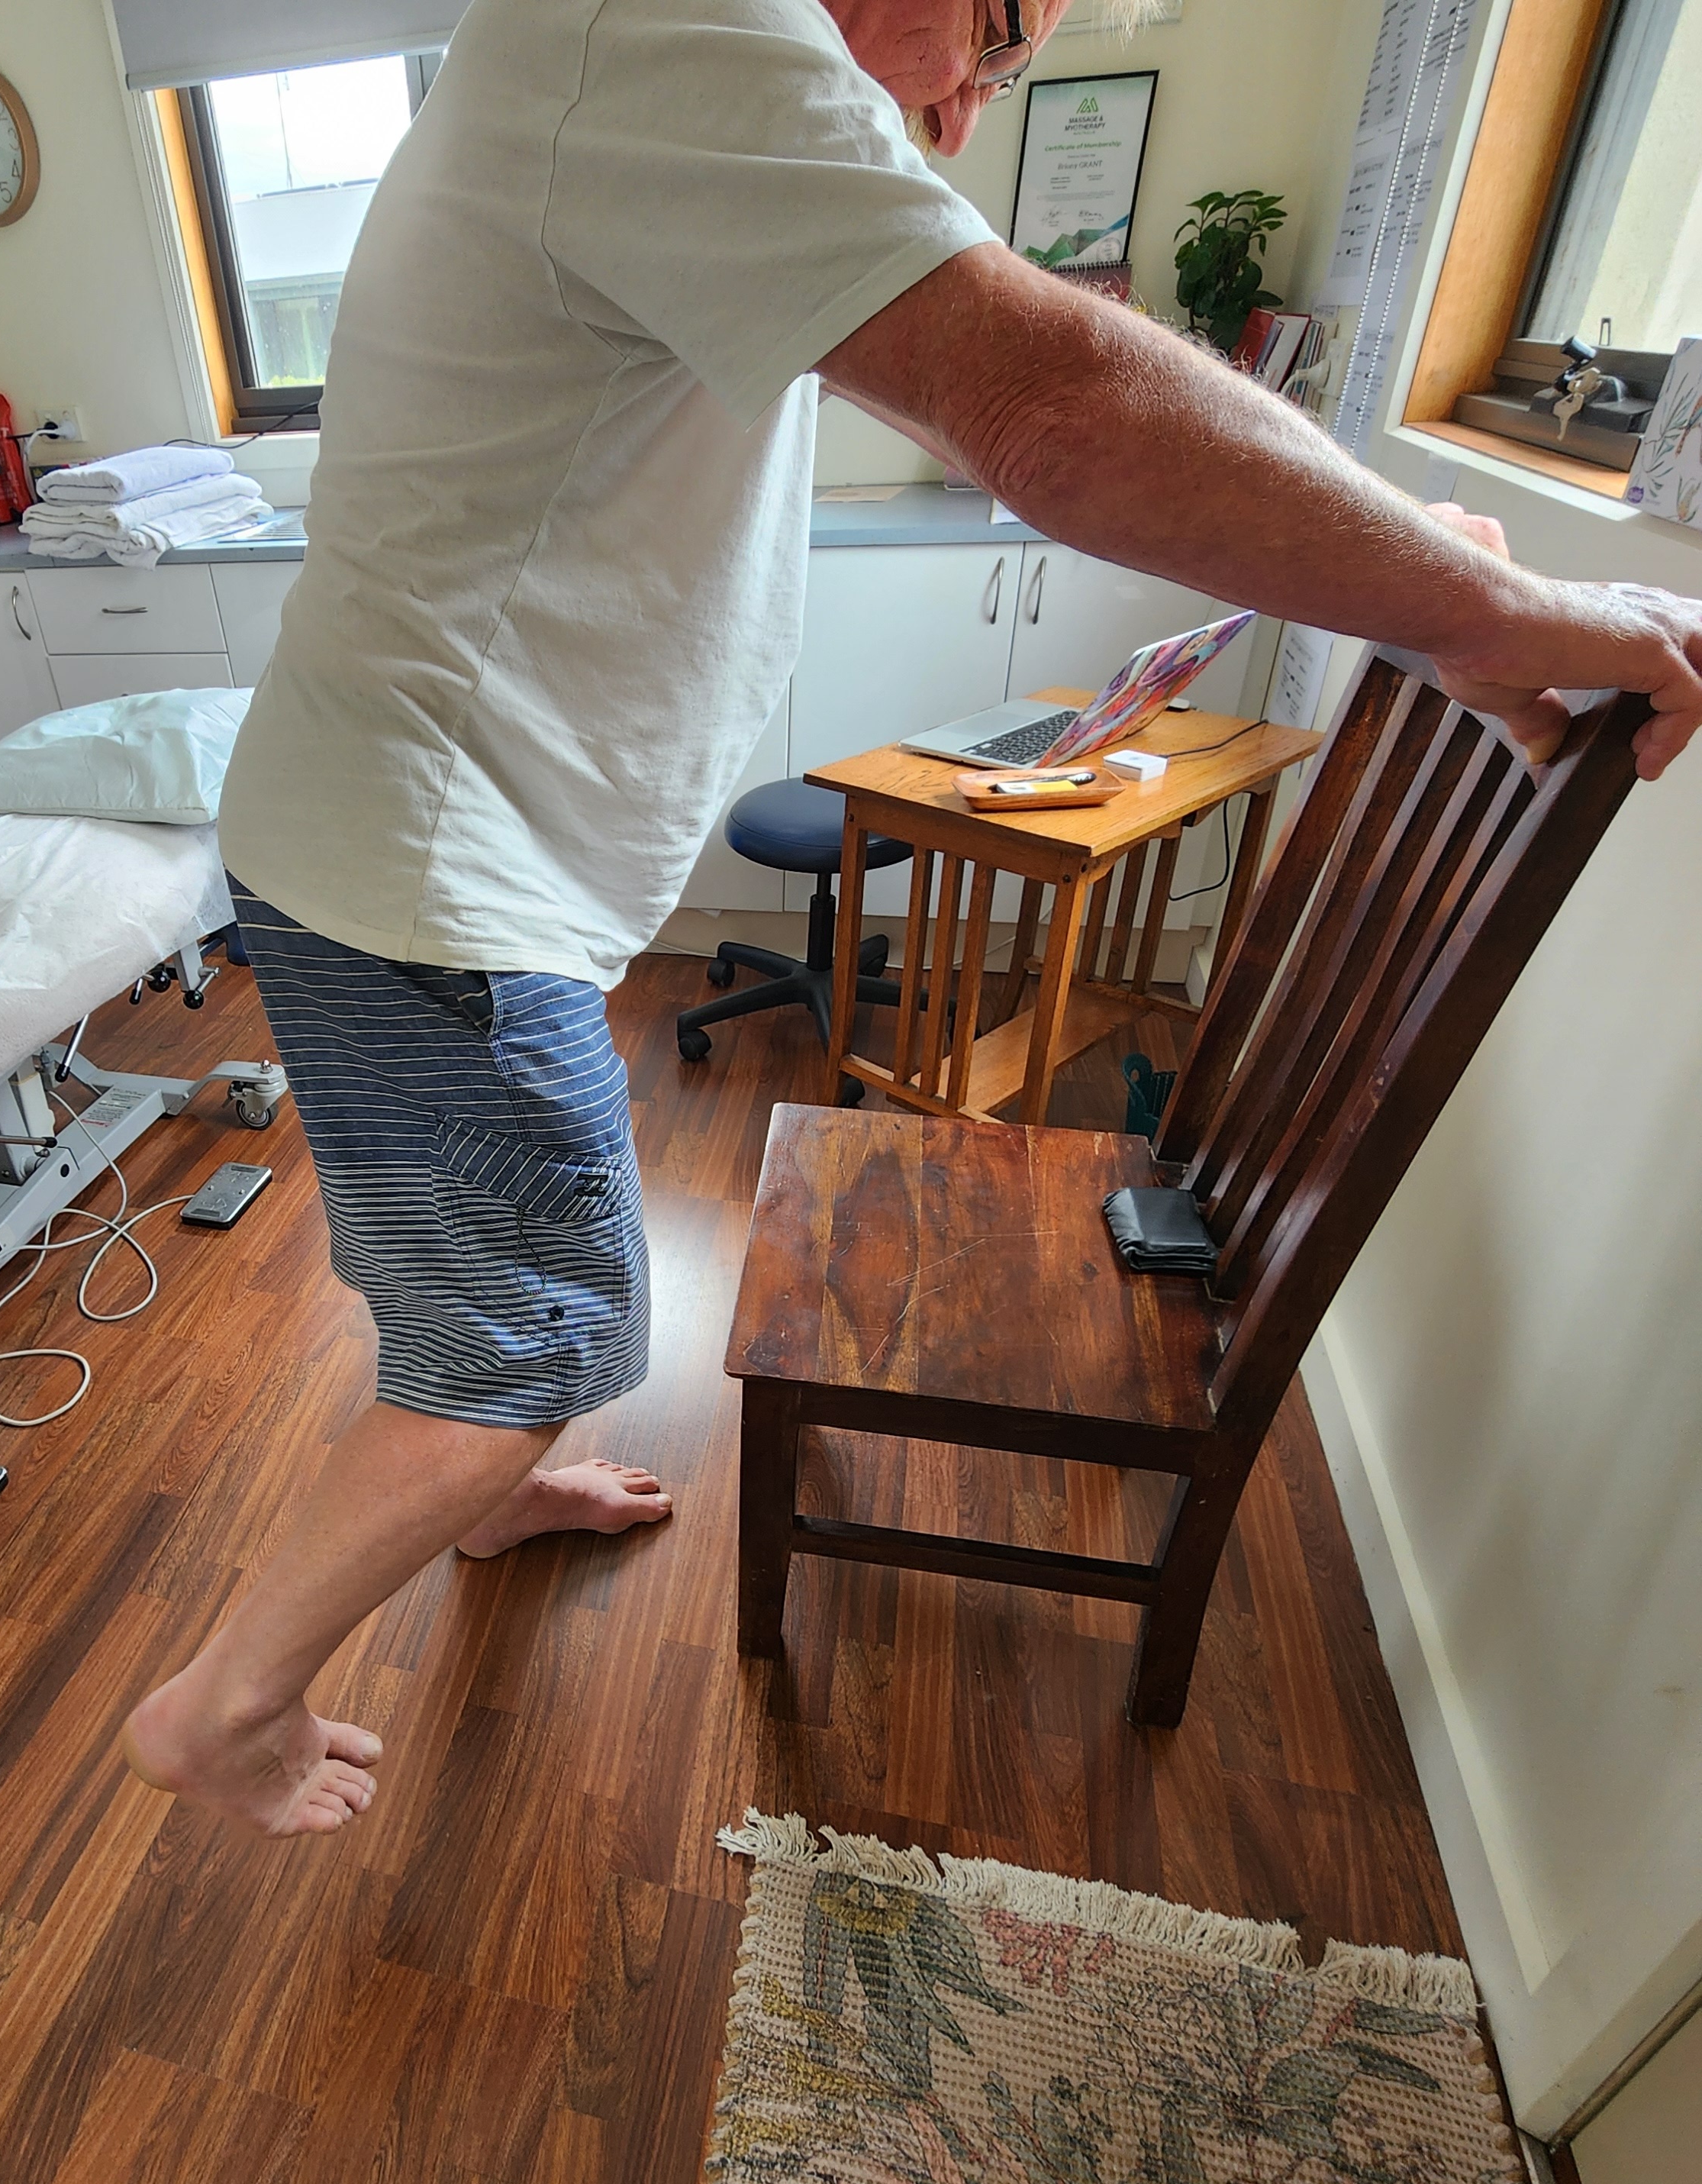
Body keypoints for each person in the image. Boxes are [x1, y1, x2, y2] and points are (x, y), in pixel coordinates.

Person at [123, 0, 1702, 1834]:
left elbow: (983, 358)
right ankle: (224, 1701)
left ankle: (480, 1497)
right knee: (538, 1333)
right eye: (993, 45)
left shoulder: (636, 51)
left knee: (471, 1269)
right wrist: (1477, 608)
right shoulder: (668, 19)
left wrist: (1418, 579)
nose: (957, 118)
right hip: (428, 877)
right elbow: (1049, 400)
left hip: (416, 858)